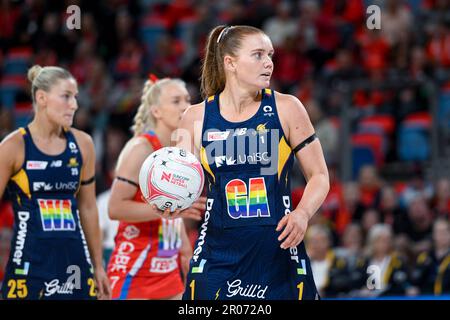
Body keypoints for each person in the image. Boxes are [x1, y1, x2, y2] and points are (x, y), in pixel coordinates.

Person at [175, 25, 330, 300]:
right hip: (217, 254)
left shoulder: (288, 107)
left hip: (278, 252)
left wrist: (303, 213)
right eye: (258, 55)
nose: (269, 63)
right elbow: (178, 184)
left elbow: (319, 175)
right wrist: (170, 204)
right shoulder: (195, 117)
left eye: (270, 55)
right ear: (230, 63)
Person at [0, 65, 110, 300]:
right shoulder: (13, 146)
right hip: (28, 266)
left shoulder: (83, 143)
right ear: (41, 98)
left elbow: (88, 207)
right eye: (66, 96)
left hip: (75, 263)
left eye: (75, 97)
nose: (75, 105)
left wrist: (98, 265)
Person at [107, 76, 206, 300]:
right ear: (156, 111)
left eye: (187, 100)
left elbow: (175, 213)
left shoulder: (181, 152)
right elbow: (115, 208)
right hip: (135, 265)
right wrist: (165, 209)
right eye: (176, 101)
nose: (185, 106)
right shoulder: (141, 148)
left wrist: (185, 251)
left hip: (168, 267)